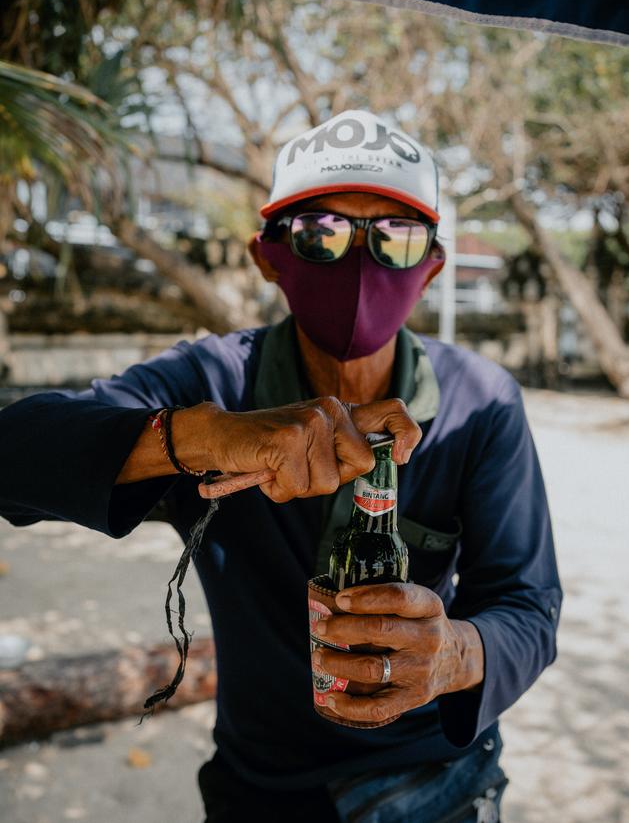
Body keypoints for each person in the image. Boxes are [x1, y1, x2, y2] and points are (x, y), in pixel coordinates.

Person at [0, 109, 562, 822]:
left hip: (433, 781)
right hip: (260, 785)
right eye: (321, 233)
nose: (360, 262)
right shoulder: (209, 382)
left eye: (395, 236)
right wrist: (203, 438)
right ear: (269, 255)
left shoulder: (482, 404)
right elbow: (15, 454)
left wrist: (454, 651)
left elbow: (528, 602)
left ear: (430, 269)